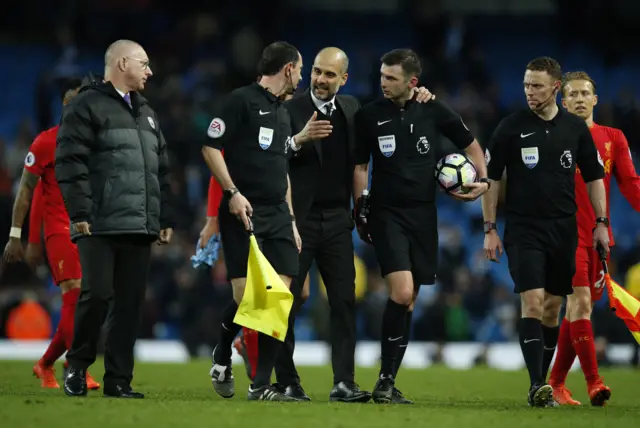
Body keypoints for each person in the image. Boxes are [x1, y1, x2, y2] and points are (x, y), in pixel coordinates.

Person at [353, 48, 489, 404]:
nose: (383, 83)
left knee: (410, 299)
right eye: (382, 76)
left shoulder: (434, 109)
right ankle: (384, 378)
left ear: (412, 82)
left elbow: (473, 146)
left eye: (391, 78)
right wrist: (360, 207)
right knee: (400, 292)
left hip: (424, 215)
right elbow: (359, 167)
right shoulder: (370, 116)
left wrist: (483, 182)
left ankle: (388, 382)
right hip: (386, 213)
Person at [482, 57, 609, 408]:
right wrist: (490, 228)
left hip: (562, 227)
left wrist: (601, 223)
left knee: (554, 307)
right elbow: (491, 180)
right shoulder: (510, 127)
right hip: (523, 227)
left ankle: (542, 383)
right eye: (525, 85)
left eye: (536, 85)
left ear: (555, 88)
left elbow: (595, 177)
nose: (529, 92)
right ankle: (537, 383)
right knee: (533, 300)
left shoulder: (574, 129)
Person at [55, 39, 174, 398]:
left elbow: (162, 171)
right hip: (99, 221)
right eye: (144, 63)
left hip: (139, 224)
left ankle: (118, 380)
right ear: (123, 63)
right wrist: (79, 212)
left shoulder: (148, 113)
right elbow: (69, 161)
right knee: (98, 295)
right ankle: (77, 366)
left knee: (130, 304)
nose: (150, 71)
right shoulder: (86, 106)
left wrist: (162, 216)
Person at [202, 41, 306, 402]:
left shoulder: (283, 112)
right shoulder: (240, 101)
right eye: (301, 69)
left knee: (279, 297)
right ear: (289, 69)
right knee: (248, 296)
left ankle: (260, 386)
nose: (303, 76)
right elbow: (210, 147)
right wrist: (231, 193)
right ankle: (221, 350)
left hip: (278, 212)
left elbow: (282, 170)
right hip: (242, 209)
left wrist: (291, 218)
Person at [548, 71, 640, 406]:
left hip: (598, 238)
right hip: (564, 236)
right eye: (572, 94)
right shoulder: (551, 136)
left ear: (595, 99)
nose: (579, 99)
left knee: (577, 313)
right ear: (563, 100)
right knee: (580, 304)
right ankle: (594, 383)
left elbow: (630, 184)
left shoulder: (613, 137)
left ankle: (556, 384)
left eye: (585, 93)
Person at [2, 78, 100, 390]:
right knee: (73, 292)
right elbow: (26, 195)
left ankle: (45, 364)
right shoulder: (45, 143)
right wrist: (18, 237)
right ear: (65, 108)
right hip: (59, 231)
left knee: (84, 302)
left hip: (89, 232)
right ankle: (78, 368)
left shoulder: (92, 146)